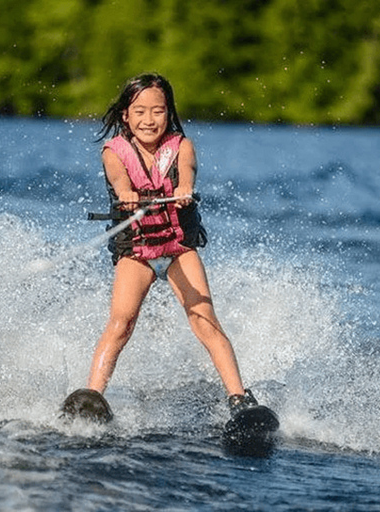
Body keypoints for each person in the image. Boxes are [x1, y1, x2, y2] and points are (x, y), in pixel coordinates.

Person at [64, 73, 258, 421]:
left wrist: (184, 187)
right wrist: (126, 193)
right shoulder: (113, 153)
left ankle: (239, 399)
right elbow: (119, 178)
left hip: (178, 249)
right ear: (125, 114)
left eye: (157, 111)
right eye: (139, 111)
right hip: (137, 252)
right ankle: (92, 396)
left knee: (204, 320)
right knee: (121, 323)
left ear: (169, 113)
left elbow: (188, 171)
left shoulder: (182, 146)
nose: (148, 120)